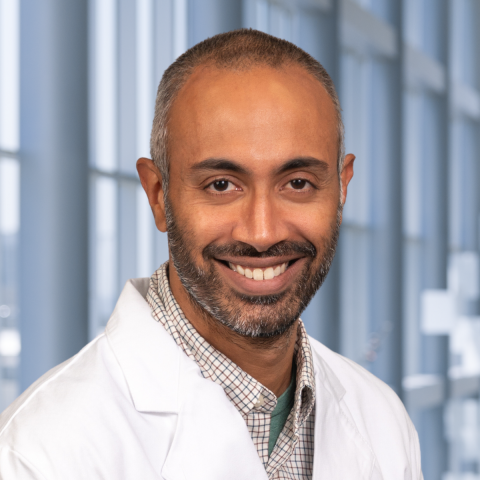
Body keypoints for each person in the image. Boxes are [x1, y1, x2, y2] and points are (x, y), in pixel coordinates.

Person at [0, 29, 422, 479]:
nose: (262, 233)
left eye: (297, 183)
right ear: (158, 195)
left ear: (342, 188)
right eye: (221, 185)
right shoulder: (41, 452)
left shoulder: (382, 420)